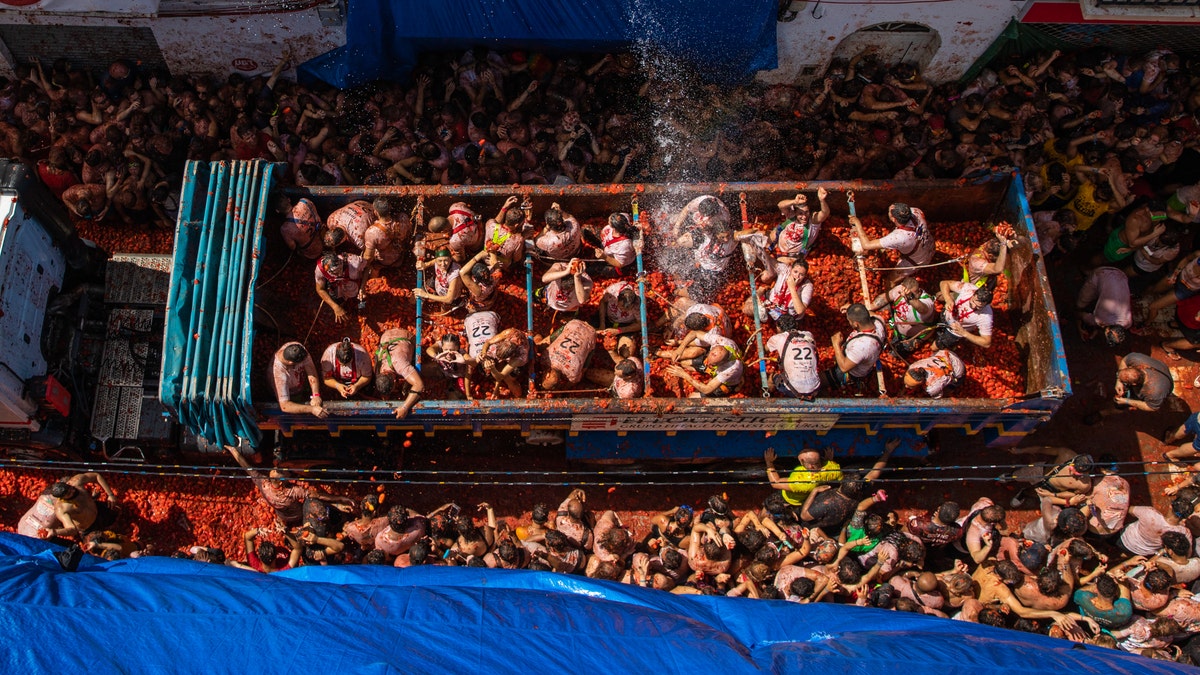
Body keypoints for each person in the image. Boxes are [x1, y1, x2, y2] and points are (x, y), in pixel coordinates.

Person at [17, 473, 119, 541]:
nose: (72, 491)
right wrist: (54, 532)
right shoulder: (62, 509)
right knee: (105, 539)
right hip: (88, 527)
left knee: (115, 515)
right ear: (62, 498)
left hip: (97, 508)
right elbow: (71, 529)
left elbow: (96, 476)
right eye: (68, 493)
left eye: (70, 488)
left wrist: (110, 494)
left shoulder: (76, 482)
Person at [850, 202, 935, 279]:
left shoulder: (899, 237)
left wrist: (858, 224)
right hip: (930, 245)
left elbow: (867, 245)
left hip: (919, 260)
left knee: (891, 280)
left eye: (889, 212)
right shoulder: (916, 211)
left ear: (894, 219)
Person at [863, 277, 937, 355]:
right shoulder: (900, 290)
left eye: (915, 293)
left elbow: (922, 309)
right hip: (896, 325)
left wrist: (910, 297)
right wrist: (870, 307)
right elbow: (885, 298)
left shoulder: (927, 302)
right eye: (909, 294)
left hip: (913, 336)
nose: (917, 294)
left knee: (895, 354)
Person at [822, 303, 885, 393]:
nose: (849, 322)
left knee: (821, 379)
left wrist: (836, 344)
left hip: (851, 371)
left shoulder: (862, 346)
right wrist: (852, 307)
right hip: (862, 359)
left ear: (856, 324)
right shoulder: (879, 321)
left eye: (849, 321)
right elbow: (871, 314)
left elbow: (844, 368)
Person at [764, 447, 842, 507]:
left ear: (810, 466)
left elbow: (775, 483)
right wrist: (828, 461)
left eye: (801, 460)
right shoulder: (834, 468)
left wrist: (769, 462)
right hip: (809, 492)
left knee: (768, 506)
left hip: (790, 499)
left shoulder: (801, 482)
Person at [766, 314, 820, 399]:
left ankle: (767, 393)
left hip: (793, 390)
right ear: (796, 325)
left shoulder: (778, 338)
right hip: (815, 388)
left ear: (778, 328)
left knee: (772, 377)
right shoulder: (808, 335)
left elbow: (766, 349)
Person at [375, 328, 425, 418]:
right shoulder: (379, 368)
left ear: (395, 381)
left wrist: (404, 407)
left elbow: (420, 385)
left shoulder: (400, 365)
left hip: (407, 336)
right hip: (385, 334)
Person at [1075, 266, 1131, 346]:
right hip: (1102, 273)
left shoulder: (1128, 322)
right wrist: (1079, 326)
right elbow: (1081, 315)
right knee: (1080, 303)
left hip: (1121, 275)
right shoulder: (1102, 319)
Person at [665, 341, 743, 398]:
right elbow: (694, 333)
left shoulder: (730, 370)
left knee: (693, 397)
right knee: (684, 364)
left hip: (725, 384)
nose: (708, 364)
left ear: (721, 363)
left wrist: (684, 375)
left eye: (712, 364)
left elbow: (706, 390)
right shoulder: (721, 341)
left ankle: (735, 388)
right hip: (716, 369)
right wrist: (678, 343)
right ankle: (706, 370)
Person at [747, 258, 813, 323]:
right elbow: (769, 259)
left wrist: (792, 288)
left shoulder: (807, 286)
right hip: (771, 304)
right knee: (747, 308)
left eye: (801, 274)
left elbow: (800, 310)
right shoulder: (785, 271)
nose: (797, 276)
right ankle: (762, 293)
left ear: (805, 276)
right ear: (791, 269)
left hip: (787, 317)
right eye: (795, 272)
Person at [271, 342, 327, 417]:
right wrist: (312, 409)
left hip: (300, 381)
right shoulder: (279, 374)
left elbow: (311, 372)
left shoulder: (298, 348)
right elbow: (285, 406)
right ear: (291, 363)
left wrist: (316, 394)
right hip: (291, 394)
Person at [539, 319, 598, 391]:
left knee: (584, 364)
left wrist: (565, 388)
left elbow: (577, 379)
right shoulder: (545, 358)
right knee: (552, 340)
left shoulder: (573, 375)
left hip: (591, 334)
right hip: (574, 324)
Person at [935, 280, 994, 350]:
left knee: (935, 346)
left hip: (954, 332)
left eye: (979, 307)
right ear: (973, 294)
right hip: (946, 314)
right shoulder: (968, 289)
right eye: (972, 302)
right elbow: (944, 283)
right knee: (934, 326)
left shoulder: (986, 316)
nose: (974, 306)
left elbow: (987, 343)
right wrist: (948, 299)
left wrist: (964, 333)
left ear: (986, 305)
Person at [314, 252, 365, 324]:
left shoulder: (354, 261)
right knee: (336, 299)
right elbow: (320, 289)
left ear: (342, 263)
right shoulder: (320, 269)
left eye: (339, 271)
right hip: (336, 287)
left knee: (362, 301)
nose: (338, 275)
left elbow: (368, 267)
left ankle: (361, 309)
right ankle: (342, 305)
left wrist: (363, 287)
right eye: (334, 273)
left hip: (355, 286)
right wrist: (335, 307)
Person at [481, 327, 530, 396]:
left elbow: (501, 376)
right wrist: (484, 354)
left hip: (518, 364)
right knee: (494, 365)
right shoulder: (508, 333)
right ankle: (497, 386)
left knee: (508, 379)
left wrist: (493, 368)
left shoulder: (519, 358)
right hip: (509, 351)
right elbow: (488, 342)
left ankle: (519, 395)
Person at [483, 195, 527, 269]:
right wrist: (523, 236)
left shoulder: (490, 224)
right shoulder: (518, 240)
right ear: (516, 225)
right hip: (501, 266)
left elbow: (496, 221)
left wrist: (504, 207)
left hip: (485, 258)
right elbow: (517, 259)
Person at [277, 194, 324, 260]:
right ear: (289, 199)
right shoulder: (304, 202)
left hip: (313, 253)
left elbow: (293, 247)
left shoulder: (285, 229)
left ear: (277, 211)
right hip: (324, 236)